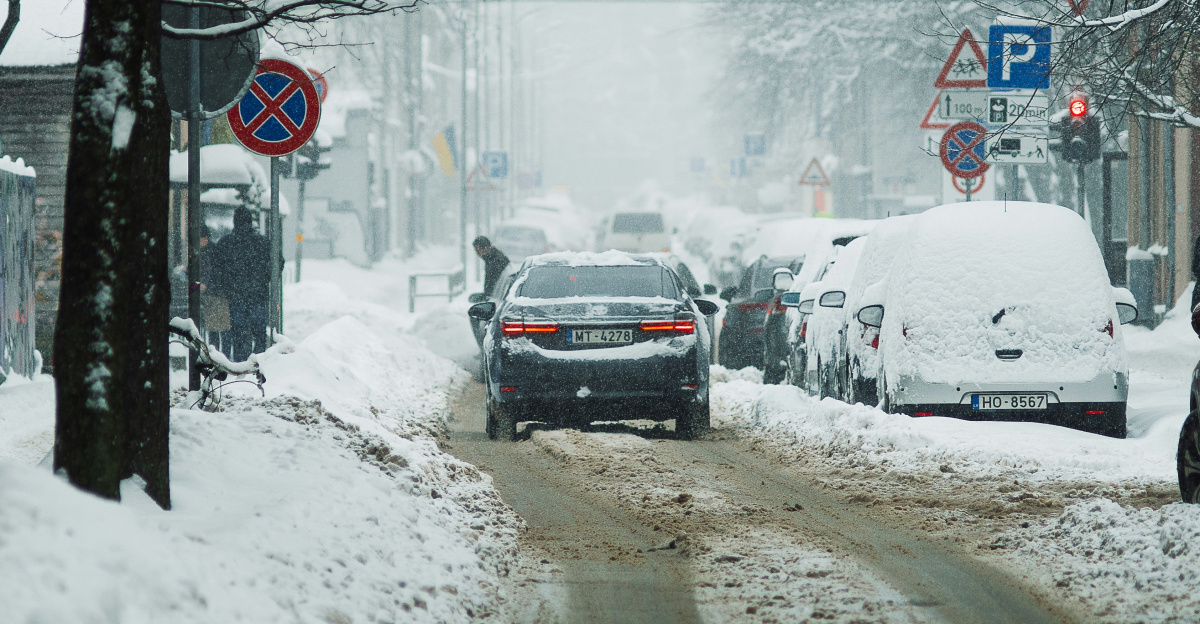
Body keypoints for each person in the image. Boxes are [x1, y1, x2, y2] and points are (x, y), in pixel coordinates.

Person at [212, 207, 271, 361]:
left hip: (235, 297)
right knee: (259, 333)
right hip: (259, 296)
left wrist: (226, 285)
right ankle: (259, 364)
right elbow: (278, 264)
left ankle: (240, 365)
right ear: (251, 222)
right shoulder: (263, 243)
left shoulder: (226, 243)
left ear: (235, 221)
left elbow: (216, 269)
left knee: (238, 333)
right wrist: (264, 278)